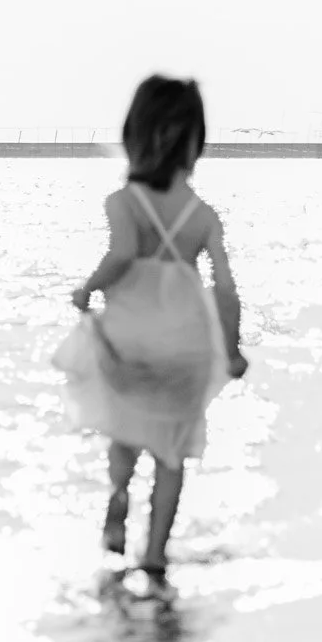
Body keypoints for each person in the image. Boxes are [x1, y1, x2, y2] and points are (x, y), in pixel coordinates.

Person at [55, 75, 246, 575]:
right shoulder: (203, 216)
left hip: (131, 344)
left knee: (124, 430)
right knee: (172, 451)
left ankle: (118, 497)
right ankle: (156, 553)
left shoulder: (125, 203)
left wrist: (89, 288)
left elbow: (121, 255)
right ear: (194, 145)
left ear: (135, 136)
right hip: (186, 349)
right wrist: (232, 348)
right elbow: (225, 288)